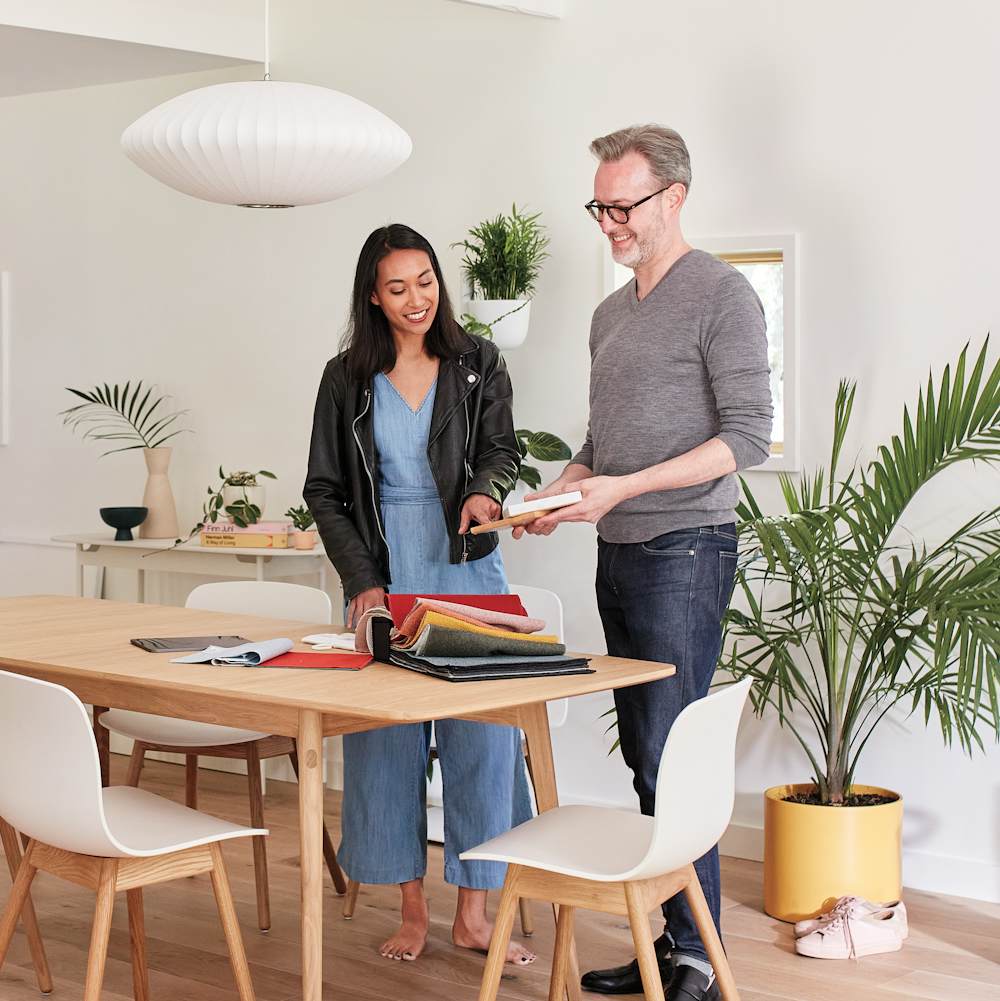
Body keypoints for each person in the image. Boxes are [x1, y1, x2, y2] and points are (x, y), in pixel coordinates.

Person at [514, 125, 773, 1000]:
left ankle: (699, 954)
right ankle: (669, 939)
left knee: (673, 751)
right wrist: (567, 489)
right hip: (619, 550)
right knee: (643, 751)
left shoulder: (722, 295)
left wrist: (622, 489)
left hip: (687, 547)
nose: (610, 222)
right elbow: (601, 441)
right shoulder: (608, 314)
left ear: (675, 196)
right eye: (601, 205)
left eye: (624, 205)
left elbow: (746, 438)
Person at [304, 224, 535, 965]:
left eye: (426, 281)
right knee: (387, 742)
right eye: (397, 286)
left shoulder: (478, 362)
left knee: (485, 742)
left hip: (465, 562)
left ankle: (473, 912)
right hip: (386, 568)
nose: (416, 299)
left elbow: (502, 447)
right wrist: (362, 579)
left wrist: (484, 493)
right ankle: (412, 907)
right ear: (373, 295)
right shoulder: (344, 379)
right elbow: (325, 489)